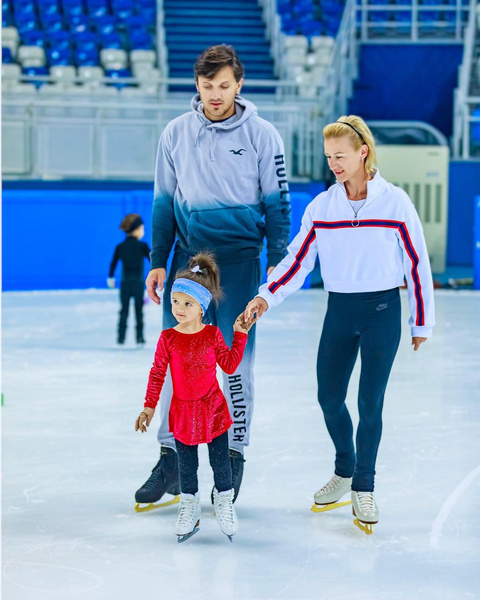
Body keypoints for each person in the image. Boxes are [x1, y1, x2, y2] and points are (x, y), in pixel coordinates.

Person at [244, 115, 435, 534]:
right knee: (329, 397)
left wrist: (421, 320)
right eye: (329, 156)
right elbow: (297, 260)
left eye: (341, 155)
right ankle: (344, 470)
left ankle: (363, 487)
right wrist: (265, 295)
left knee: (370, 404)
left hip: (382, 313)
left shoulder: (395, 202)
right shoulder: (322, 206)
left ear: (363, 152)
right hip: (339, 311)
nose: (334, 163)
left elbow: (416, 262)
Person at [134, 44, 291, 507]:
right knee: (177, 359)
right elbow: (163, 201)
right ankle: (170, 461)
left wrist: (278, 267)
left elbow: (278, 205)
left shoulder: (264, 136)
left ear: (239, 84)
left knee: (236, 363)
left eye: (224, 86)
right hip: (188, 264)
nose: (216, 95)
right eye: (207, 86)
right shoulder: (175, 133)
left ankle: (233, 456)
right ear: (197, 86)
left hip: (242, 262)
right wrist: (159, 257)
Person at [135, 253, 255, 541]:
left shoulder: (213, 334)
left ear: (201, 307)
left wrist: (239, 334)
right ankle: (189, 506)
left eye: (187, 303)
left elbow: (228, 365)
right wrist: (149, 407)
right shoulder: (168, 338)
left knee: (220, 464)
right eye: (175, 301)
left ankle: (224, 501)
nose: (178, 308)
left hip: (212, 409)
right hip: (183, 413)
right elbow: (156, 374)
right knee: (187, 465)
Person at [108, 214, 150, 345]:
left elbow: (113, 263)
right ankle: (140, 337)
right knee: (139, 311)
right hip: (137, 283)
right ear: (137, 229)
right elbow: (153, 261)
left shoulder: (120, 247)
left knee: (124, 310)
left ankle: (121, 338)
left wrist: (111, 277)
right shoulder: (142, 246)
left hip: (125, 283)